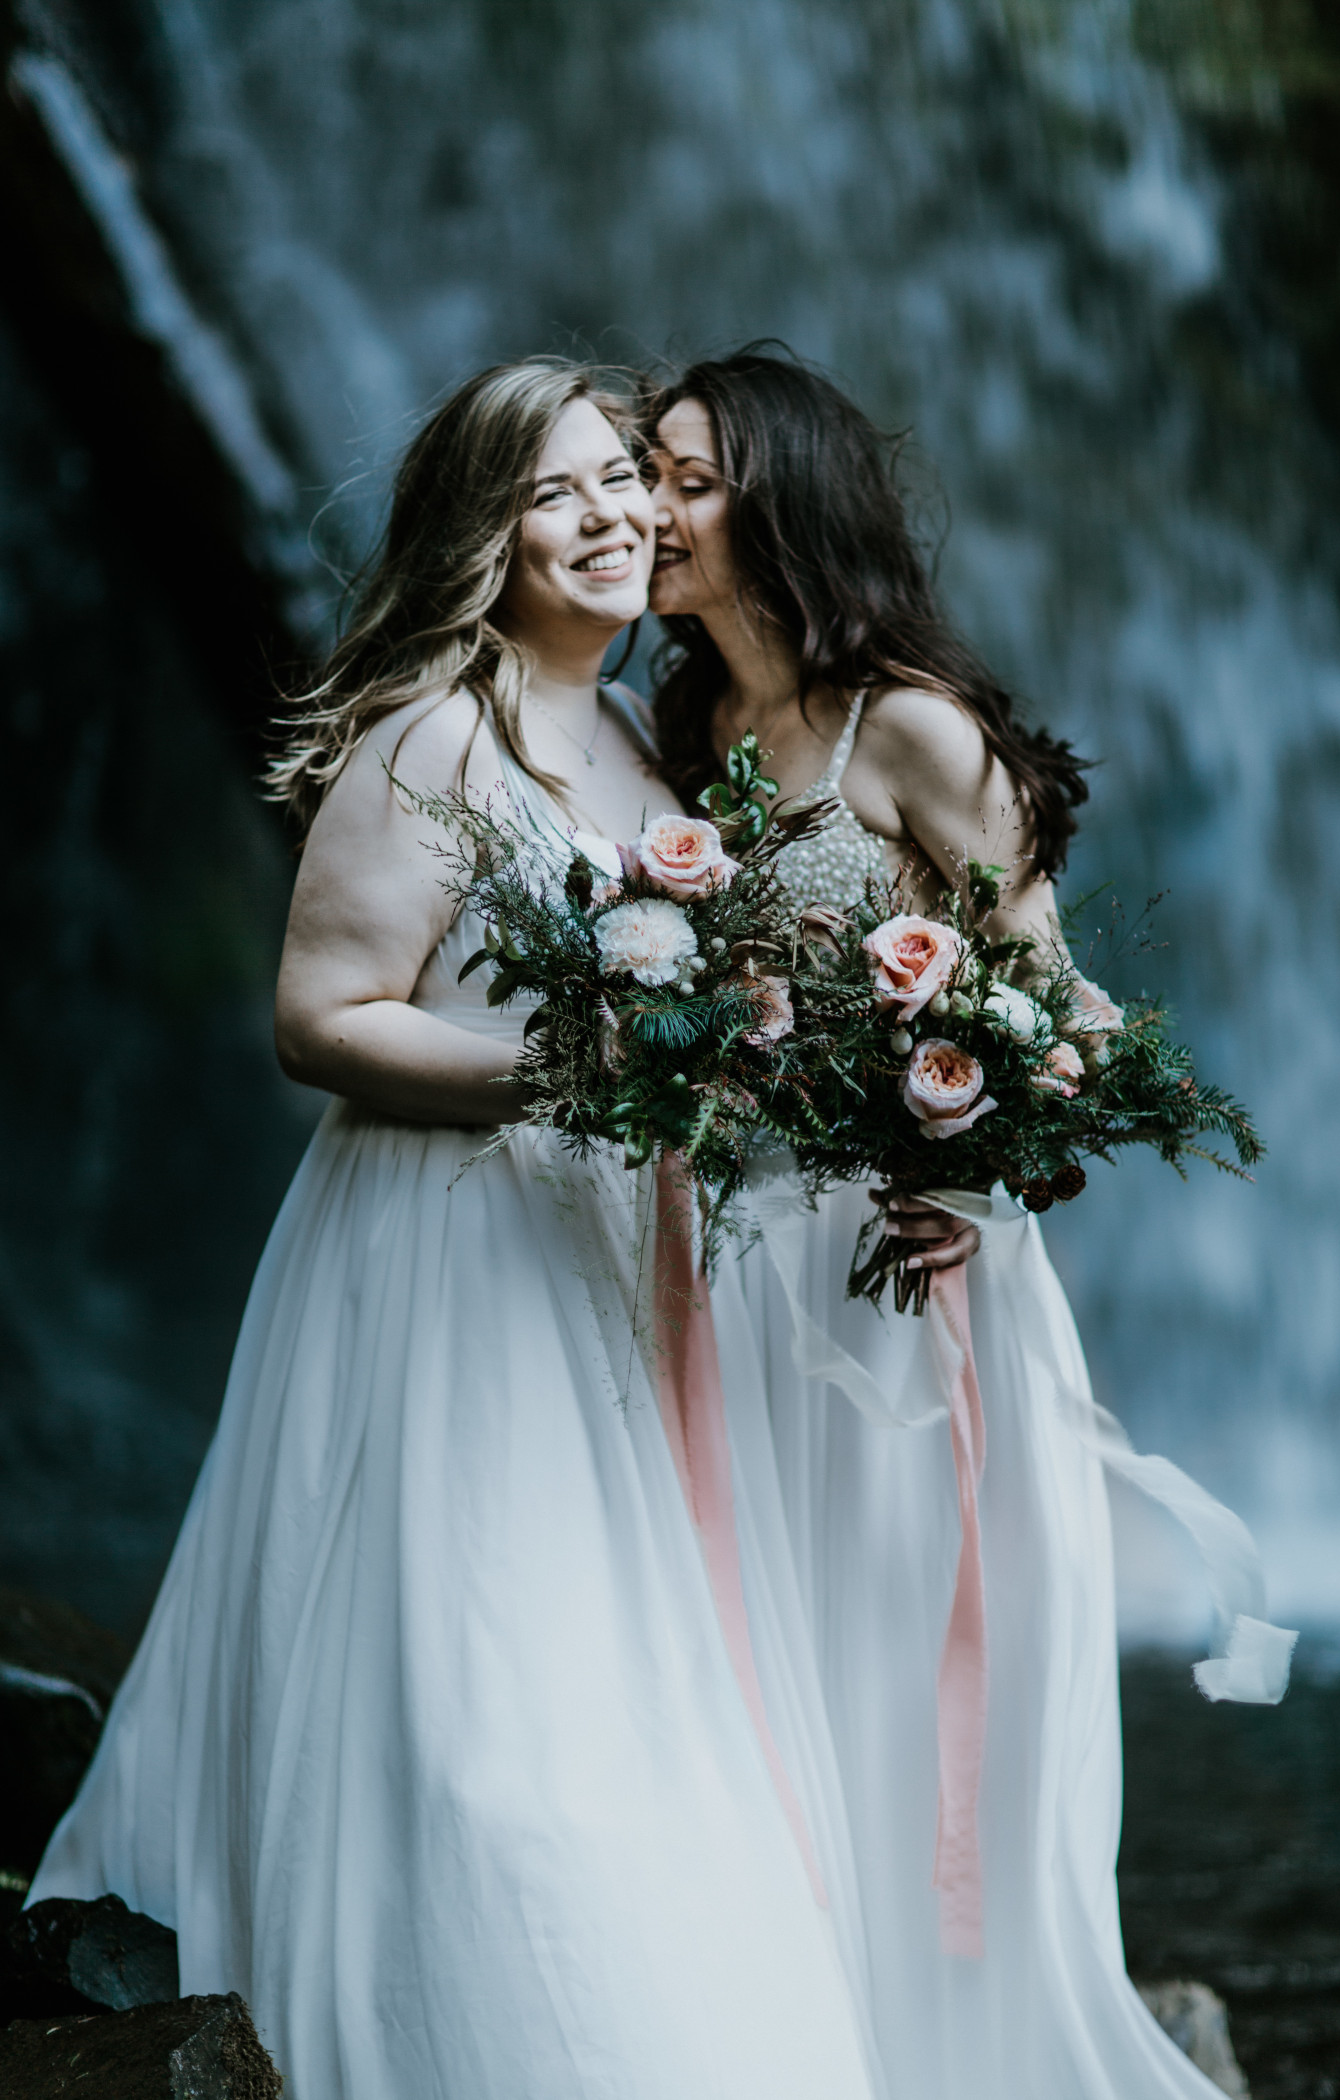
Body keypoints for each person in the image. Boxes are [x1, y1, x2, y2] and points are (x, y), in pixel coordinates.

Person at [29, 359, 882, 2099]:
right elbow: (322, 1015)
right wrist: (559, 1065)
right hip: (449, 1262)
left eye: (632, 482)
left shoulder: (645, 742)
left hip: (608, 1277)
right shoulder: (438, 733)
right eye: (557, 492)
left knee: (631, 1676)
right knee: (488, 1697)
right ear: (482, 537)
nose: (616, 516)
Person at [643, 345, 1287, 2099]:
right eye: (648, 472)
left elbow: (1066, 1018)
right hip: (746, 1284)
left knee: (890, 1656)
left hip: (915, 1295)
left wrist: (968, 1180)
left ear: (779, 495)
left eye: (690, 475)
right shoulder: (691, 730)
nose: (652, 506)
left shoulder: (907, 724)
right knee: (762, 1669)